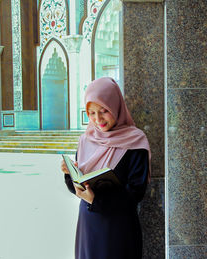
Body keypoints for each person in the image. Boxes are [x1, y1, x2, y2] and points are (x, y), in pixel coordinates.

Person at [61, 77, 150, 259]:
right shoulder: (86, 140)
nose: (98, 119)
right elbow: (79, 186)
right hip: (89, 225)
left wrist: (97, 200)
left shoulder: (135, 141)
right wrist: (69, 174)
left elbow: (136, 193)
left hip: (119, 228)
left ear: (116, 107)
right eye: (91, 113)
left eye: (104, 111)